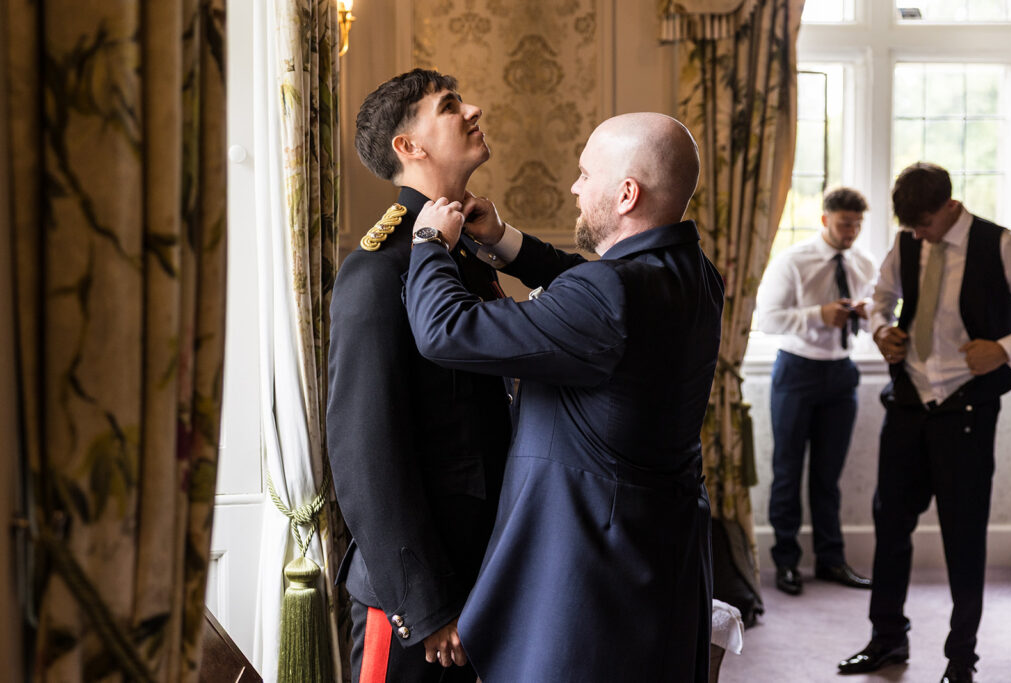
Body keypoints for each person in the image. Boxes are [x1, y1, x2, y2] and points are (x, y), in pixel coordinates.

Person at [403, 112, 724, 682]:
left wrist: (429, 241)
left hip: (588, 582)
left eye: (584, 174)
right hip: (658, 557)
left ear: (627, 194)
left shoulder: (609, 297)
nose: (575, 188)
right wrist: (503, 240)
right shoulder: (694, 271)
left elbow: (444, 330)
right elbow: (590, 283)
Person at [325, 69, 513, 683]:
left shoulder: (463, 255)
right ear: (409, 147)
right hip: (416, 598)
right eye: (450, 105)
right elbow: (363, 450)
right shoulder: (378, 270)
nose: (473, 110)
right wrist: (424, 603)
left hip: (481, 570)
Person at [838, 163, 1011, 683]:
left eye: (925, 224)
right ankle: (887, 640)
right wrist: (879, 328)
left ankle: (961, 660)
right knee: (890, 526)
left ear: (951, 207)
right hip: (907, 403)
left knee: (963, 538)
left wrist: (1004, 349)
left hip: (966, 408)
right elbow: (881, 297)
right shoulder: (908, 241)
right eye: (911, 226)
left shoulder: (1003, 245)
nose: (918, 235)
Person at [756, 187, 876, 596]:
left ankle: (831, 560)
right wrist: (818, 315)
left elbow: (880, 310)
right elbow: (768, 319)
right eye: (845, 224)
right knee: (788, 471)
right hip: (796, 372)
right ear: (825, 220)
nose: (852, 232)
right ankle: (786, 562)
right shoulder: (793, 261)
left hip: (842, 374)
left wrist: (866, 313)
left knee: (829, 476)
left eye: (858, 224)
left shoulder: (863, 262)